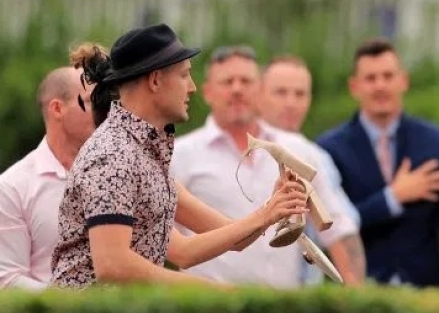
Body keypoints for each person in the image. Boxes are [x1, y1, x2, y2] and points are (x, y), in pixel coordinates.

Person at [50, 25, 309, 289]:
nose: (193, 87)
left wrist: (271, 210)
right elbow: (114, 265)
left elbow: (188, 249)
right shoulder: (113, 155)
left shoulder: (144, 155)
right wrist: (212, 292)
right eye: (185, 75)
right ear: (155, 80)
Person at [171, 46, 365, 288]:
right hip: (211, 310)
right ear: (207, 92)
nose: (237, 89)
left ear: (261, 90)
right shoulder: (179, 155)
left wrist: (357, 298)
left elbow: (339, 227)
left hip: (283, 311)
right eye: (227, 81)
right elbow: (164, 241)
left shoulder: (300, 150)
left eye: (246, 81)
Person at [317, 38, 439, 290]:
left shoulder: (436, 142)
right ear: (354, 86)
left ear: (403, 80)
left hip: (428, 289)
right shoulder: (329, 149)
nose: (380, 85)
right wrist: (391, 198)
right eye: (370, 78)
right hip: (359, 290)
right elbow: (329, 227)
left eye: (388, 76)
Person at [0, 66, 95, 288]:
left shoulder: (117, 172)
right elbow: (7, 278)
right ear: (57, 109)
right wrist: (76, 306)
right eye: (90, 101)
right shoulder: (13, 186)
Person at [259, 54, 361, 228]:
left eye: (300, 94)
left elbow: (342, 225)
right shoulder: (237, 148)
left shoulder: (317, 157)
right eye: (281, 92)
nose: (291, 103)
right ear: (258, 94)